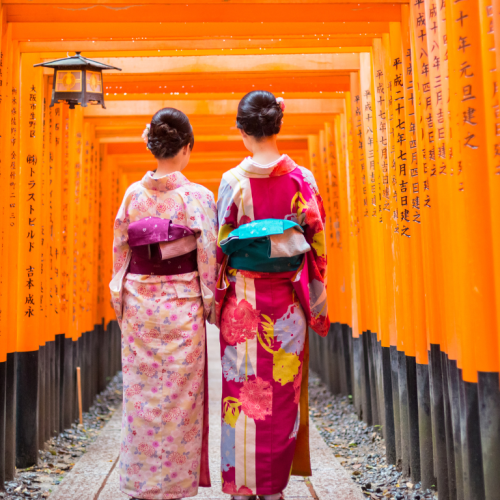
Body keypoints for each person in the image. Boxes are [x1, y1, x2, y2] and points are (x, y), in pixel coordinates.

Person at [215, 91, 329, 500]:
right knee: (281, 397)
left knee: (241, 395)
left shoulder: (233, 182)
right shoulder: (303, 180)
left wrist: (216, 301)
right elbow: (317, 248)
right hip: (284, 311)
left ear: (243, 131)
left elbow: (220, 247)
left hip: (243, 306)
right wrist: (315, 304)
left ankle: (242, 487)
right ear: (278, 124)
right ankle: (273, 490)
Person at [110, 108, 218, 500]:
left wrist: (120, 300)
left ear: (152, 146)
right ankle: (173, 486)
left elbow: (120, 254)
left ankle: (141, 485)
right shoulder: (198, 197)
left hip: (140, 305)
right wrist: (211, 304)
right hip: (182, 307)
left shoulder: (132, 196)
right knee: (179, 398)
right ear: (187, 148)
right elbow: (208, 257)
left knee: (140, 398)